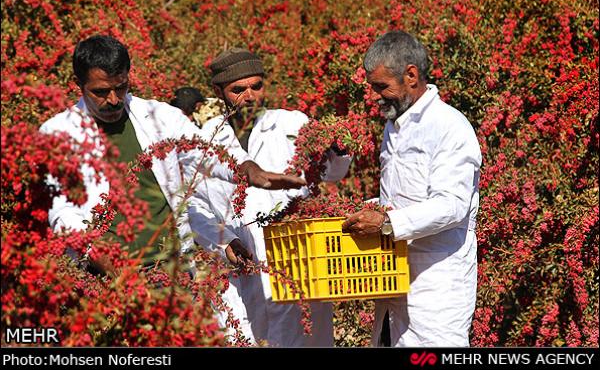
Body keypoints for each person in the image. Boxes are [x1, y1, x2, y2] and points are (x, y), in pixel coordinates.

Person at [39, 34, 306, 276]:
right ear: (78, 84)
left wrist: (247, 170)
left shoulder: (159, 117)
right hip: (99, 276)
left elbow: (206, 154)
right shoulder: (59, 133)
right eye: (100, 92)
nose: (113, 99)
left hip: (168, 273)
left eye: (120, 88)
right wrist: (105, 261)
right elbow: (62, 212)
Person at [199, 47, 352, 347]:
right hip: (240, 269)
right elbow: (196, 205)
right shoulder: (207, 138)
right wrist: (224, 242)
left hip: (296, 264)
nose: (250, 96)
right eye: (238, 89)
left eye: (257, 86)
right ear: (219, 91)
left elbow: (332, 172)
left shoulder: (291, 125)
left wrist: (338, 147)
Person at [342, 31, 482, 347]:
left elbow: (451, 205)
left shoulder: (450, 127)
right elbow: (401, 196)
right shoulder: (394, 126)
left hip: (436, 286)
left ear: (411, 76)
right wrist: (372, 208)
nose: (375, 96)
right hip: (394, 278)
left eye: (382, 87)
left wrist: (387, 222)